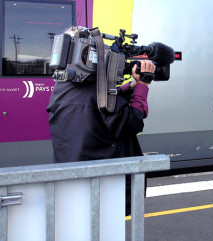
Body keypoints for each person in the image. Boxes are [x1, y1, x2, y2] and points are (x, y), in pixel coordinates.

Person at [47, 58, 155, 215]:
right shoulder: (102, 94)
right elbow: (133, 122)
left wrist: (132, 85)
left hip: (71, 183)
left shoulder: (60, 89)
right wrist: (143, 85)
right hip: (105, 189)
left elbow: (104, 104)